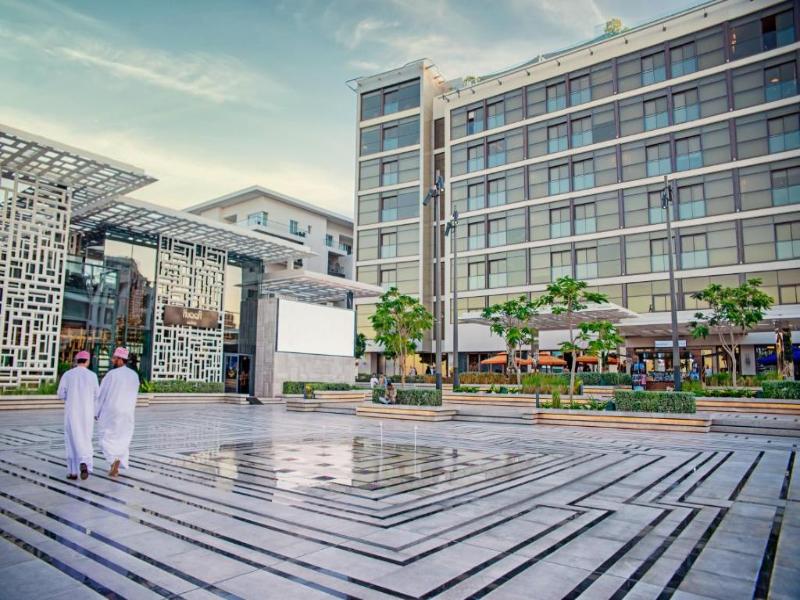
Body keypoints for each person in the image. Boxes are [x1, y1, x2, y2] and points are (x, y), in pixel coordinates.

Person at [96, 347, 140, 477]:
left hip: (111, 410)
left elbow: (102, 394)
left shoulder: (112, 374)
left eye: (114, 358)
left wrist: (96, 412)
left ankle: (113, 460)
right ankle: (118, 461)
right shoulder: (134, 375)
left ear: (121, 360)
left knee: (105, 436)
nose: (112, 360)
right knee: (123, 437)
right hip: (127, 411)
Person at [57, 351, 99, 480]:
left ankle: (73, 472)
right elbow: (97, 395)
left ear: (76, 361)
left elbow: (61, 394)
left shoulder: (68, 374)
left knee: (71, 440)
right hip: (87, 413)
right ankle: (84, 461)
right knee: (86, 438)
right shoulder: (92, 376)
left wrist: (70, 397)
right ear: (87, 361)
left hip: (72, 412)